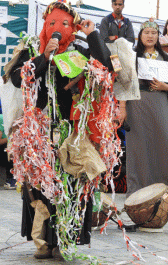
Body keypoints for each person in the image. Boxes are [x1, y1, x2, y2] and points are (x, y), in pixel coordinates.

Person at [8, 1, 113, 259]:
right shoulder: (33, 48)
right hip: (40, 132)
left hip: (73, 133)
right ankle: (42, 242)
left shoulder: (79, 49)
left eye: (64, 25)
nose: (58, 29)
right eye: (52, 24)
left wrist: (93, 34)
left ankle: (65, 240)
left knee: (71, 186)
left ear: (73, 27)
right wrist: (44, 57)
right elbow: (17, 77)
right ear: (45, 25)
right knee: (41, 187)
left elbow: (107, 67)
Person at [119, 20, 168, 199]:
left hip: (159, 101)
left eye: (153, 33)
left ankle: (166, 189)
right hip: (137, 102)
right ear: (140, 36)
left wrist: (166, 87)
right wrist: (122, 107)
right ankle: (137, 188)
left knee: (163, 142)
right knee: (138, 145)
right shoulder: (132, 56)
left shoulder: (164, 57)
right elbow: (123, 82)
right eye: (146, 32)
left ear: (158, 36)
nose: (150, 36)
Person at [0, 114, 15, 190]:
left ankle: (12, 178)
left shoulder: (1, 118)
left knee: (8, 148)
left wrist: (10, 137)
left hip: (5, 148)